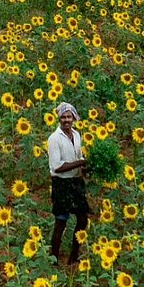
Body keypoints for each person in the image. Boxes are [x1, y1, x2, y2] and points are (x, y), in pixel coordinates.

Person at [47, 101, 89, 264]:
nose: (66, 120)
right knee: (61, 222)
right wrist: (80, 163)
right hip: (62, 184)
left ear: (73, 118)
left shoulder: (77, 135)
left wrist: (86, 167)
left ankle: (74, 256)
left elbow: (78, 157)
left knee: (83, 219)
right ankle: (53, 259)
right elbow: (57, 167)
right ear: (59, 119)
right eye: (63, 117)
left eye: (69, 117)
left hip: (76, 183)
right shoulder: (54, 139)